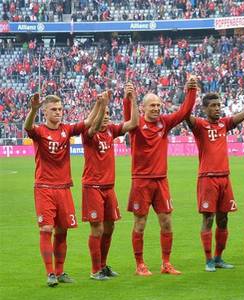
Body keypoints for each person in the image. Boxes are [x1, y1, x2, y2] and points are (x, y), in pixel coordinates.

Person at [127, 76, 198, 276]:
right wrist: (128, 97)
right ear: (143, 108)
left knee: (166, 221)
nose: (157, 108)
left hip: (161, 181)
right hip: (141, 181)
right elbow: (128, 113)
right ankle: (140, 264)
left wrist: (191, 90)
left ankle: (166, 263)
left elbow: (184, 112)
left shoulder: (164, 123)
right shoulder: (135, 124)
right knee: (140, 223)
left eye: (158, 105)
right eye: (152, 105)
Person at [24, 93, 95, 287]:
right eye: (54, 109)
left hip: (64, 188)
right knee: (46, 229)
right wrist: (33, 110)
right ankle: (50, 274)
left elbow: (88, 122)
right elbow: (27, 127)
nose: (58, 112)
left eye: (60, 109)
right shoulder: (39, 131)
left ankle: (60, 271)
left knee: (62, 231)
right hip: (44, 187)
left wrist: (100, 104)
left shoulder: (67, 130)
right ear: (45, 111)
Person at [188, 74, 244, 272]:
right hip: (207, 178)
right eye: (213, 105)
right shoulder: (199, 125)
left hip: (224, 178)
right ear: (205, 108)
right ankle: (208, 259)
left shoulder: (225, 123)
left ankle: (218, 257)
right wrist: (190, 91)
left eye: (219, 105)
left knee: (223, 219)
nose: (217, 108)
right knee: (208, 219)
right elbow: (184, 115)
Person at [82, 85, 138, 280]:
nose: (106, 117)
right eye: (103, 113)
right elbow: (94, 126)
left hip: (109, 187)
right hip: (93, 187)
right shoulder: (88, 133)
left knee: (110, 226)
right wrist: (101, 105)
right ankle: (94, 270)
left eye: (108, 114)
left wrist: (133, 99)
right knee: (96, 228)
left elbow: (133, 124)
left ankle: (103, 265)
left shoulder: (111, 131)